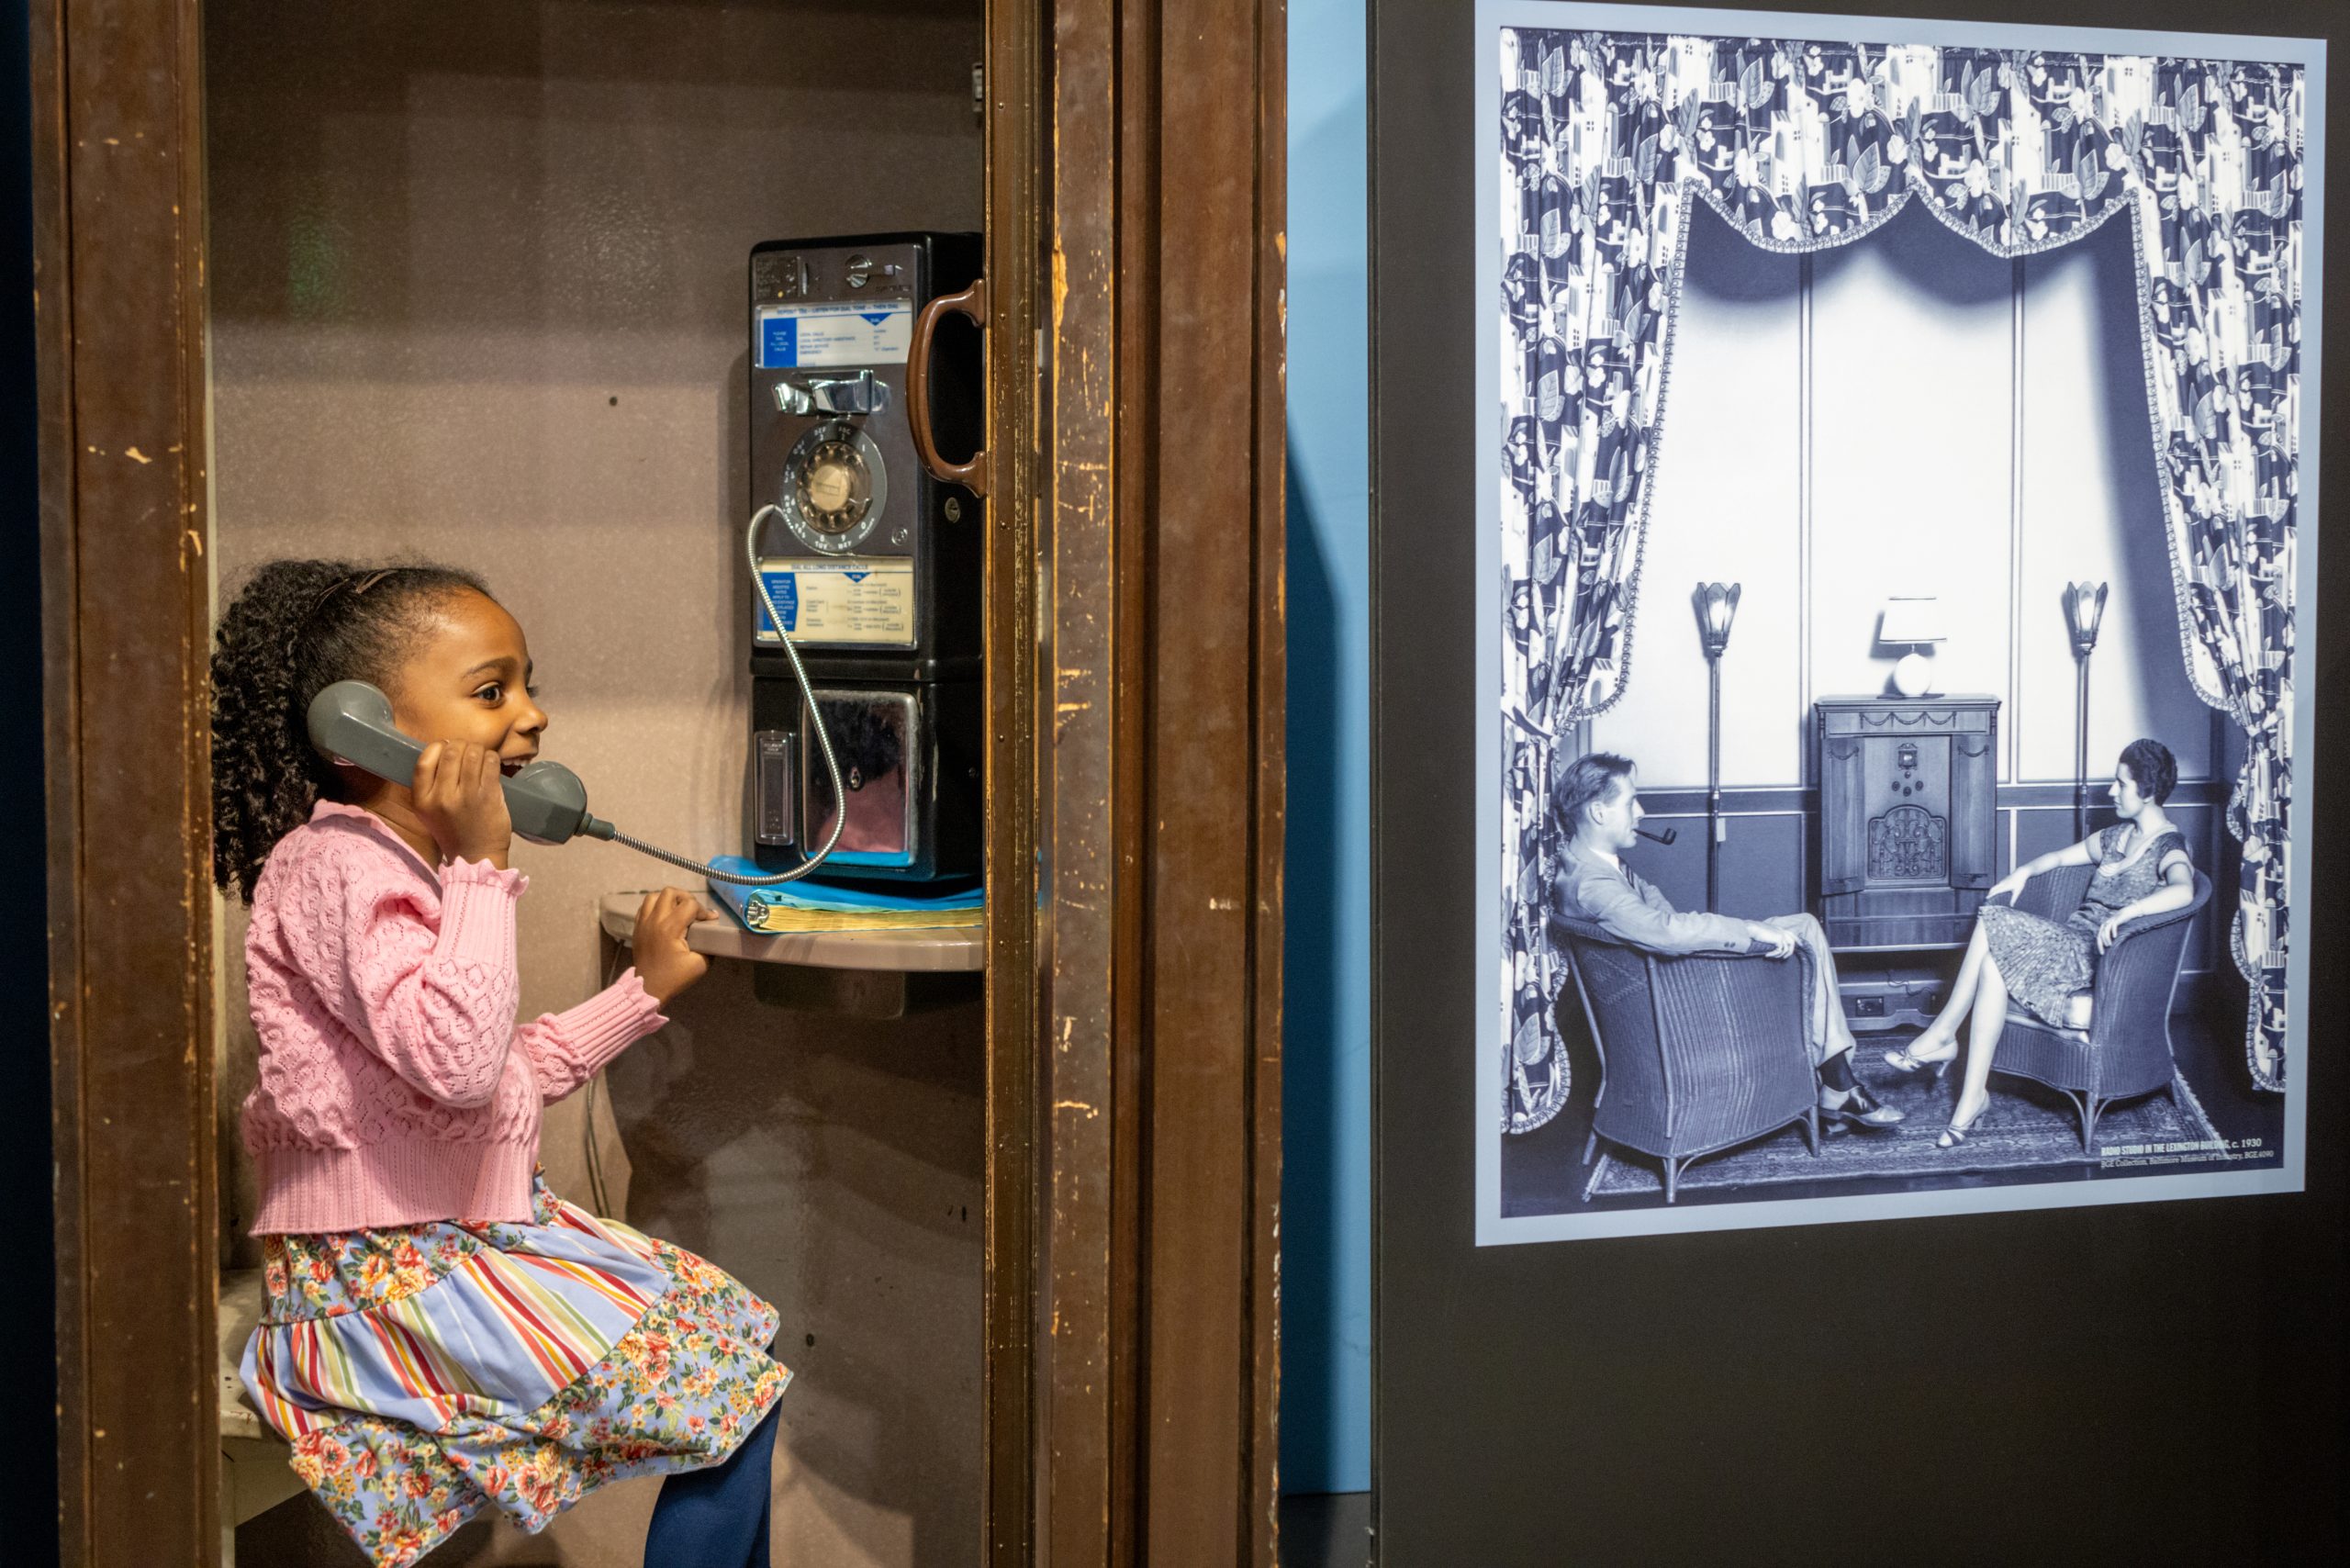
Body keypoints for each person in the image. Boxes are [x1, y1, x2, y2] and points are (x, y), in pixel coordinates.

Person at [213, 560, 788, 1568]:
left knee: (739, 1349)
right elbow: (458, 1062)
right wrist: (483, 864)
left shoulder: (398, 865)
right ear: (358, 732)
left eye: (525, 684)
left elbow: (475, 1080)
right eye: (492, 691)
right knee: (729, 1390)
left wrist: (640, 993)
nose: (533, 717)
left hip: (446, 1240)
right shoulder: (338, 868)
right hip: (389, 1274)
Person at [1550, 754, 1903, 1132]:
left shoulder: (1596, 865)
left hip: (1668, 985)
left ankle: (1837, 1080)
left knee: (1803, 926)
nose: (1641, 811)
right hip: (1679, 1009)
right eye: (1631, 801)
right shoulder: (1592, 884)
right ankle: (1839, 1084)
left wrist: (1747, 930)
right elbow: (1667, 932)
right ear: (1599, 812)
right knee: (1803, 943)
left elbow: (1664, 917)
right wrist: (1750, 931)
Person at [1883, 738, 2197, 1149]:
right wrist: (2022, 874)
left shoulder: (2169, 845)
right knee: (1993, 964)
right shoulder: (2117, 837)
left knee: (1991, 919)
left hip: (2097, 958)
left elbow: (2184, 891)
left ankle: (1943, 1032)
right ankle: (1971, 1099)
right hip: (2067, 942)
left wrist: (2127, 913)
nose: (2111, 791)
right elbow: (2059, 859)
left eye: (2121, 784)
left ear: (2149, 790)